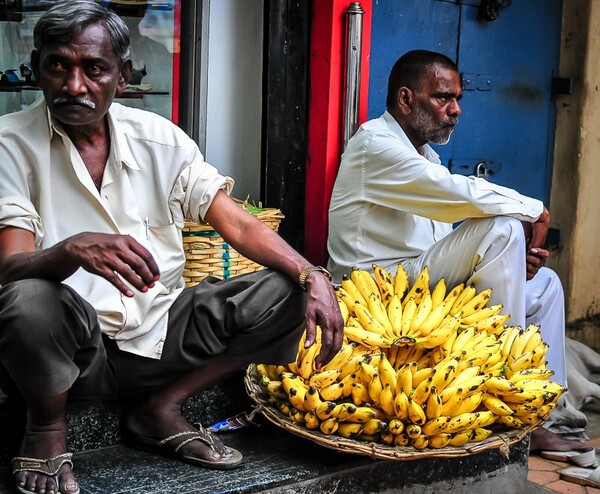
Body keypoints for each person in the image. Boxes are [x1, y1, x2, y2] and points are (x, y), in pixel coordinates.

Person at [0, 2, 344, 494]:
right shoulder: (9, 142)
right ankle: (47, 429)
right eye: (58, 65)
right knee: (28, 299)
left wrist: (313, 274)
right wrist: (72, 250)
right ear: (37, 67)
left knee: (285, 290)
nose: (74, 85)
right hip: (71, 357)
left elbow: (241, 227)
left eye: (93, 69)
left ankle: (161, 407)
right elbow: (11, 266)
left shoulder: (158, 138)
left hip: (162, 335)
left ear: (122, 77)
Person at [327, 49, 580, 453]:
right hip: (377, 290)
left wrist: (517, 262)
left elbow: (443, 232)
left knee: (546, 284)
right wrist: (535, 210)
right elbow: (453, 194)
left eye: (458, 99)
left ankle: (535, 410)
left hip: (422, 285)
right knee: (501, 225)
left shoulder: (425, 155)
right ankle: (506, 387)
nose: (456, 110)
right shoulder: (374, 144)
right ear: (406, 99)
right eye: (443, 97)